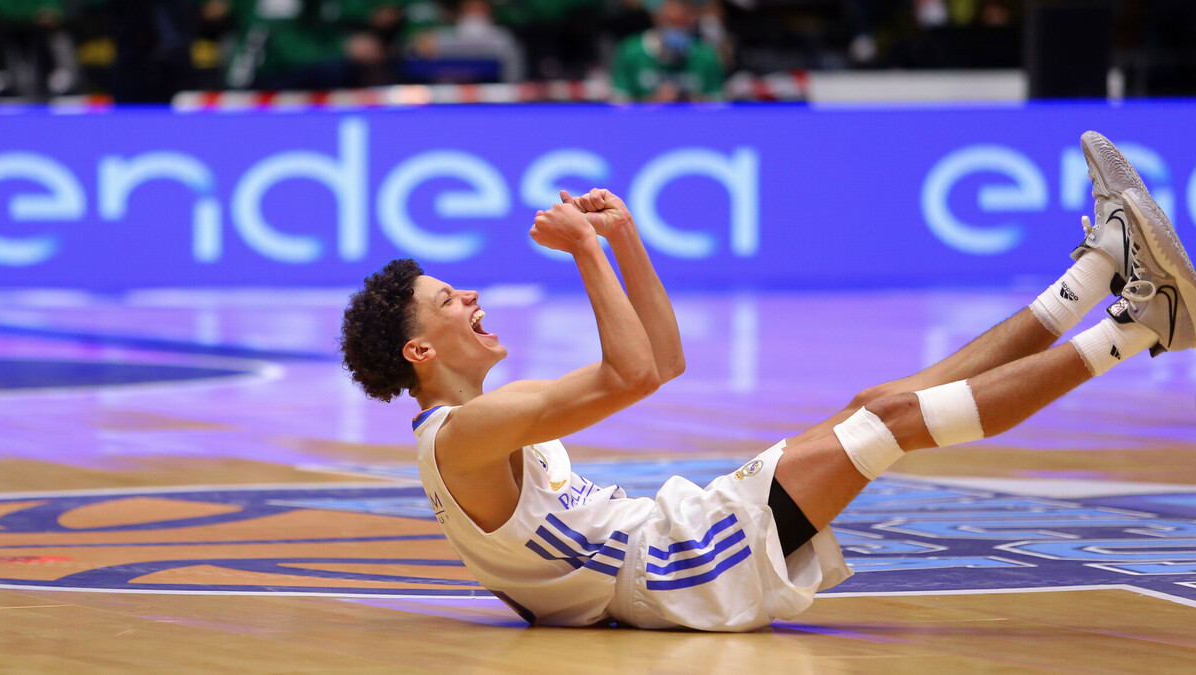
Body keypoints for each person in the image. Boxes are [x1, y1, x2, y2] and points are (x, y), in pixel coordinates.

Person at [339, 132, 1196, 632]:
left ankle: (1096, 272)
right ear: (421, 353)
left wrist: (625, 237)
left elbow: (663, 364)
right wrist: (587, 252)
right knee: (893, 419)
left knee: (877, 405)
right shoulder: (463, 436)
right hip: (682, 568)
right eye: (449, 300)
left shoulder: (475, 422)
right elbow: (633, 373)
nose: (472, 296)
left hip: (680, 545)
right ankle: (1142, 323)